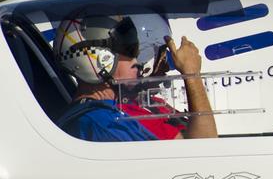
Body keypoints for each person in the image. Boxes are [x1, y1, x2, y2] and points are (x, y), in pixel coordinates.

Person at [53, 14, 218, 141]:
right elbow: (201, 153)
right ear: (99, 61)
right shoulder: (101, 124)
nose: (137, 62)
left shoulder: (111, 114)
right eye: (130, 54)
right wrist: (191, 74)